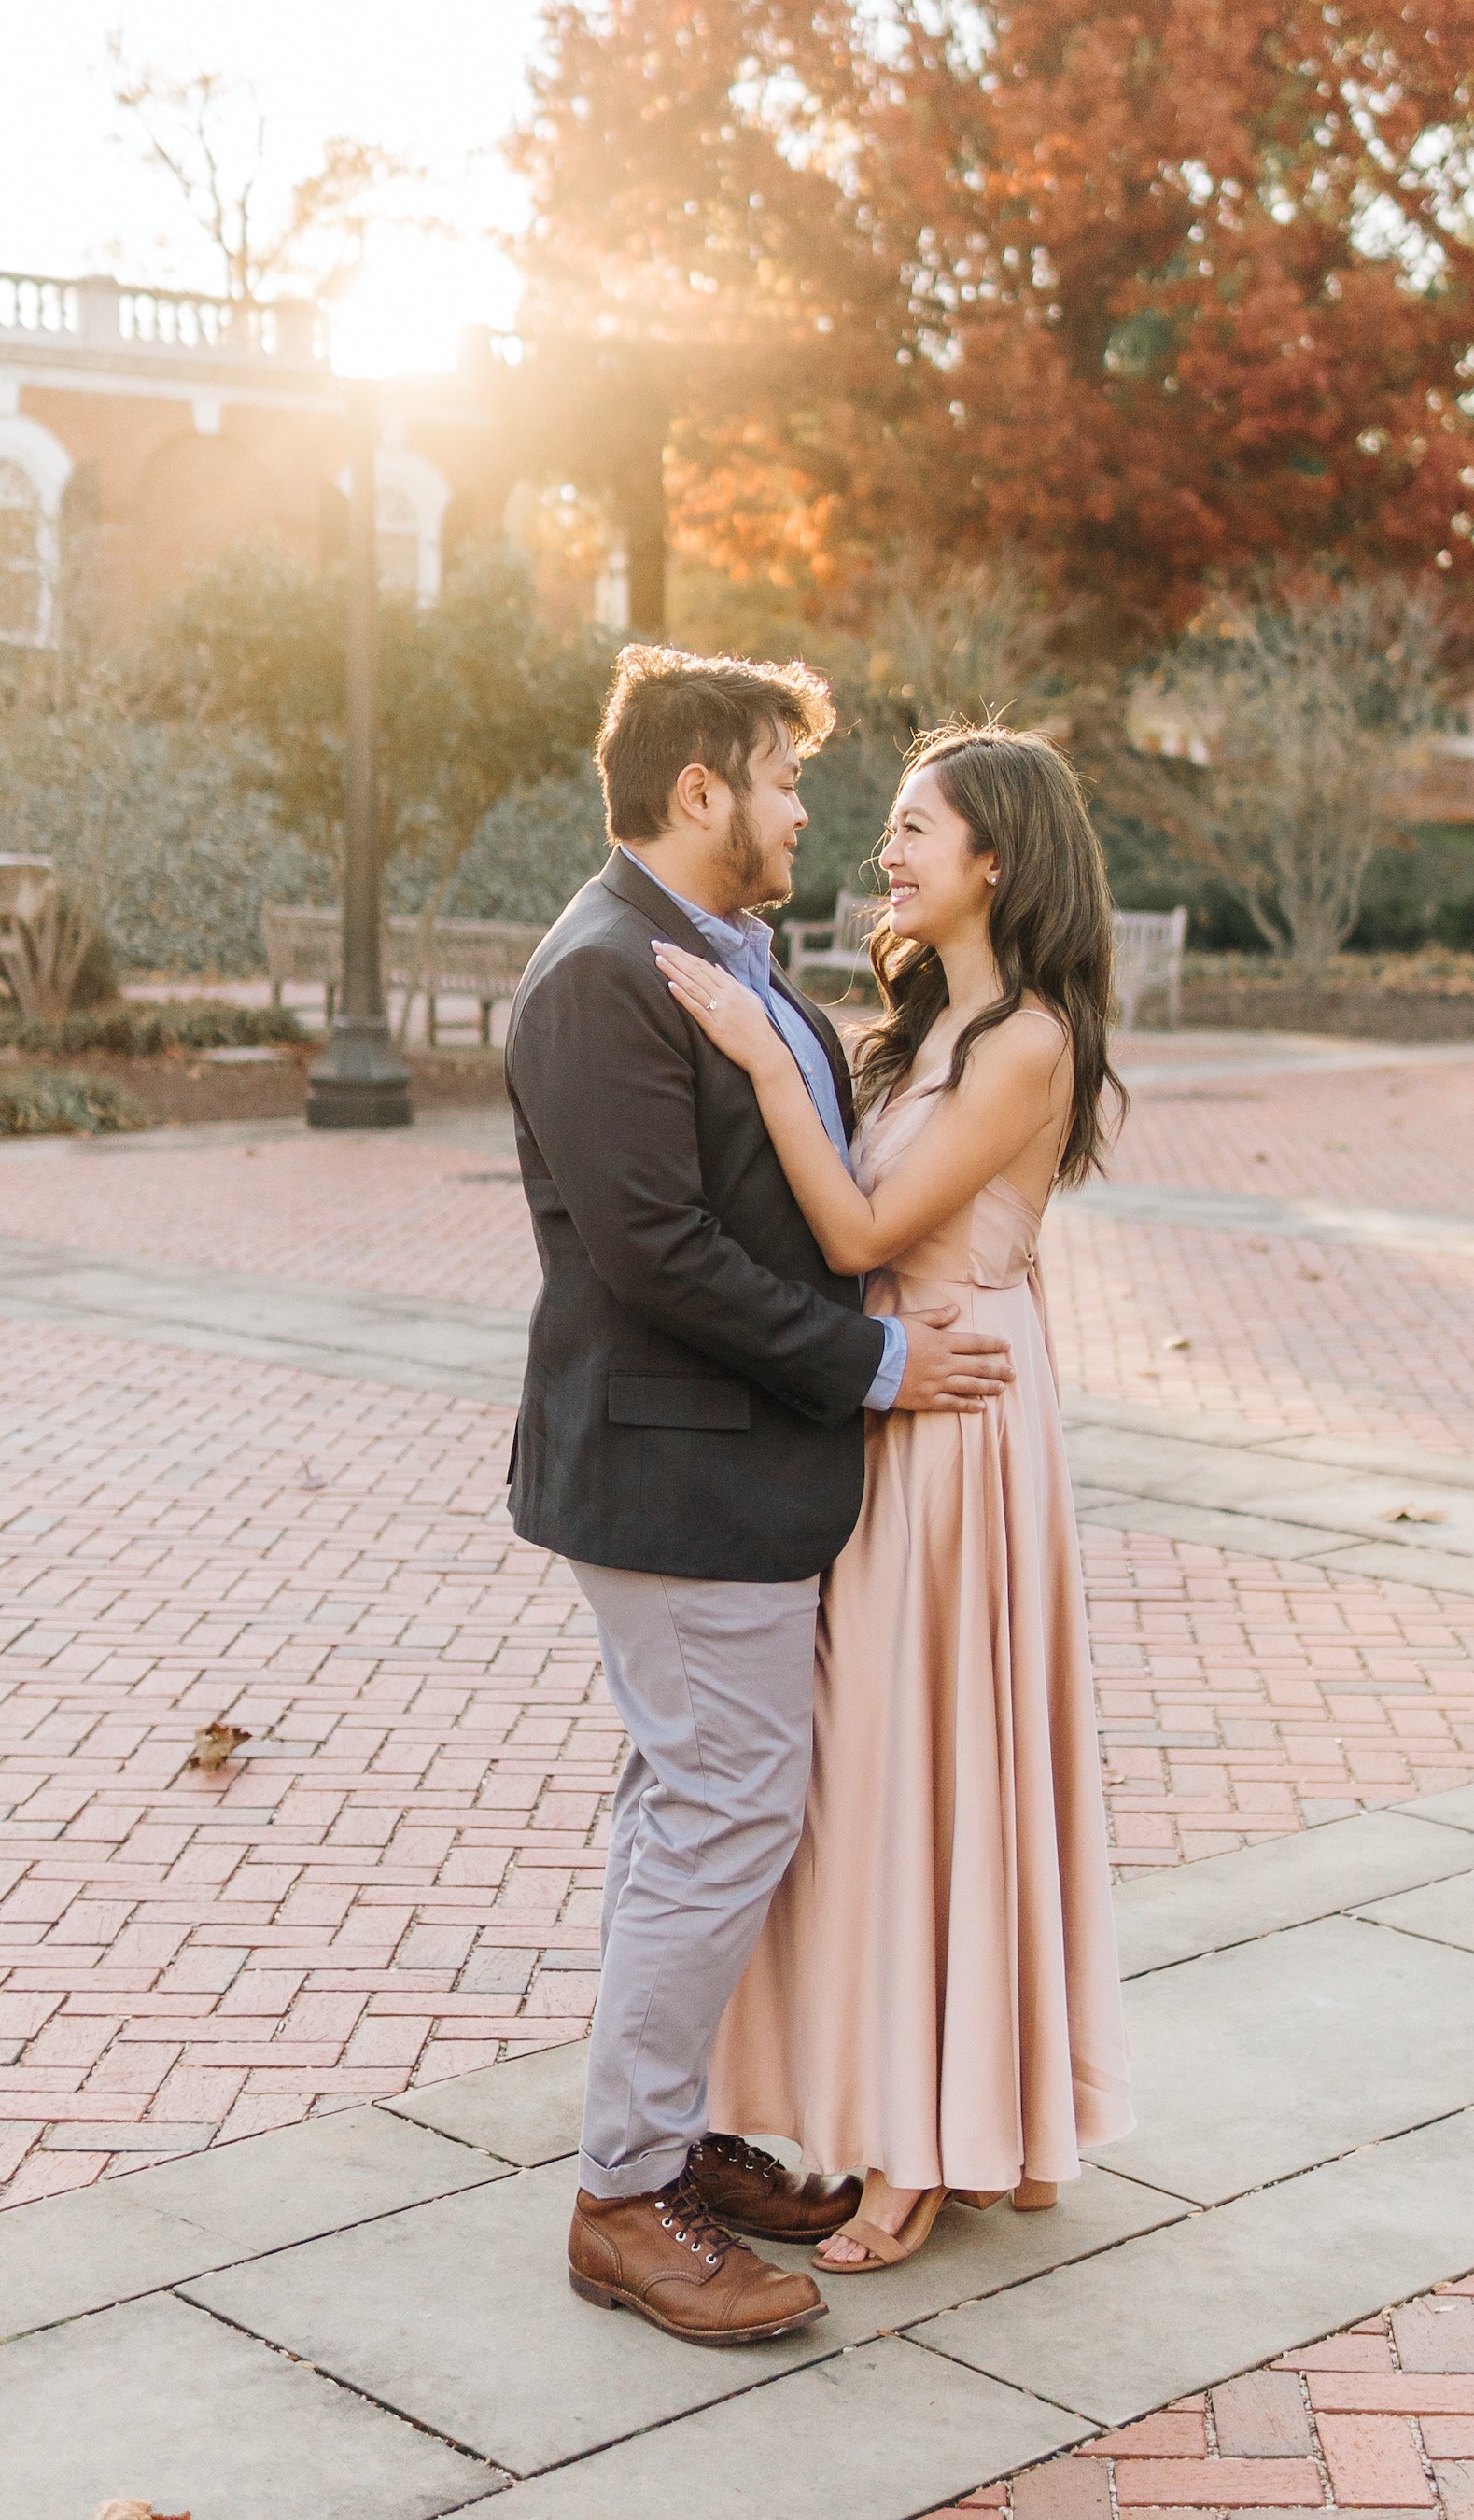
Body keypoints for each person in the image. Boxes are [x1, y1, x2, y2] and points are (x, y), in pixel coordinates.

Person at [503, 647, 1016, 2346]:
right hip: (669, 1471)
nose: (808, 813)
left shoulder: (717, 954)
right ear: (699, 789)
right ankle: (623, 2201)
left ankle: (682, 2138)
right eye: (784, 780)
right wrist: (876, 1366)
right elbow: (660, 1255)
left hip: (727, 1472)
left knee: (703, 1811)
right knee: (723, 1811)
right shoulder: (598, 974)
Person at [657, 722, 1134, 2272]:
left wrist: (746, 1045)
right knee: (882, 1767)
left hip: (958, 1423)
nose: (888, 849)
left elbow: (865, 1212)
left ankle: (922, 2150)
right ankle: (931, 2106)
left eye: (919, 827)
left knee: (929, 1760)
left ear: (996, 855)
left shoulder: (1029, 1043)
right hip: (904, 1389)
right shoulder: (932, 1026)